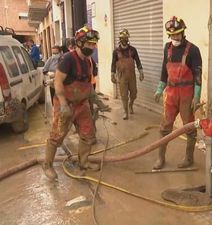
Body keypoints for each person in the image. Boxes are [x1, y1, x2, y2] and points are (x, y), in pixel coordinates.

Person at [42, 26, 102, 180]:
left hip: (82, 104)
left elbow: (88, 84)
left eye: (94, 44)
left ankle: (84, 162)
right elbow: (58, 81)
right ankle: (47, 165)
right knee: (57, 135)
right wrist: (62, 104)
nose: (93, 47)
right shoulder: (68, 59)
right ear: (80, 43)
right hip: (66, 104)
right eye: (90, 44)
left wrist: (96, 100)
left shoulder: (88, 61)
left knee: (88, 135)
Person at [152, 16, 202, 170]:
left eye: (177, 34)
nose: (175, 37)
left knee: (189, 127)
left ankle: (189, 158)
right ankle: (161, 158)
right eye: (172, 35)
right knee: (165, 126)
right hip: (171, 92)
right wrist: (160, 89)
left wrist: (197, 96)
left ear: (183, 32)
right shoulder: (167, 48)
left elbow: (198, 76)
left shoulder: (193, 50)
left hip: (187, 93)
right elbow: (163, 71)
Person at [111, 29, 144, 120]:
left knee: (134, 94)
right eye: (122, 38)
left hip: (132, 76)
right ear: (120, 39)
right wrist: (112, 74)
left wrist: (141, 72)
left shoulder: (133, 50)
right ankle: (125, 112)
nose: (124, 40)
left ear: (128, 38)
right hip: (122, 76)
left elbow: (138, 61)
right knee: (124, 95)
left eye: (126, 38)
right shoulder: (116, 52)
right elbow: (113, 63)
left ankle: (130, 105)